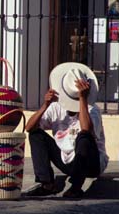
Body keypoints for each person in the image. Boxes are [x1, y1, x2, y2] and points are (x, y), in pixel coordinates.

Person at [24, 62, 109, 198]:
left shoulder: (92, 110)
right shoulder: (56, 107)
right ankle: (47, 184)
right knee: (36, 134)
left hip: (91, 164)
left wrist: (82, 99)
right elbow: (29, 128)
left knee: (84, 137)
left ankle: (75, 188)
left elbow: (86, 131)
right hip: (67, 161)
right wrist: (45, 105)